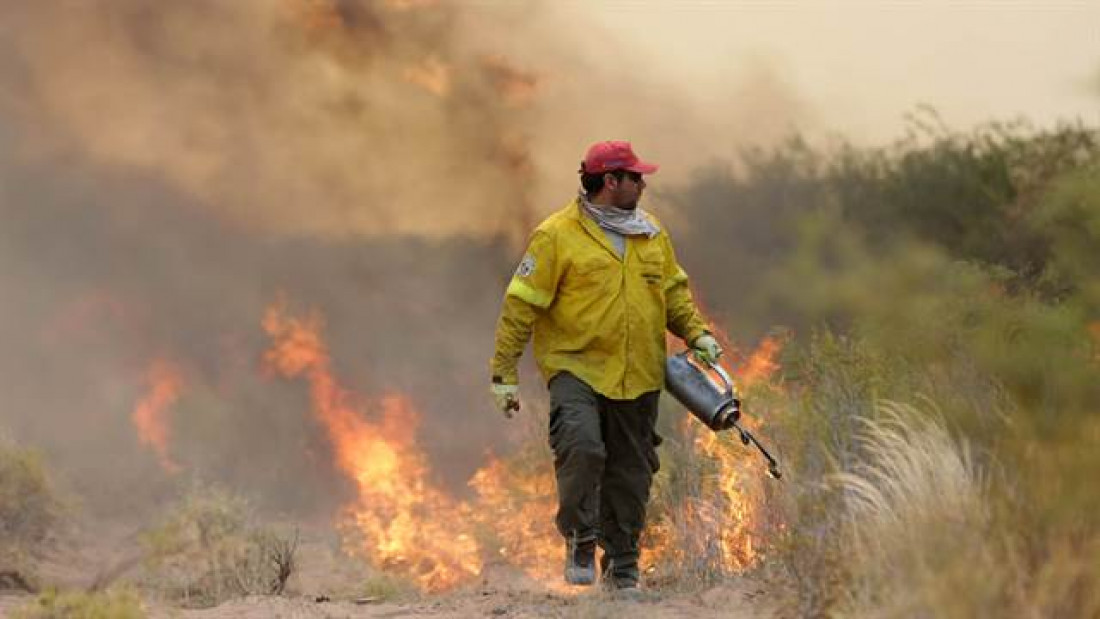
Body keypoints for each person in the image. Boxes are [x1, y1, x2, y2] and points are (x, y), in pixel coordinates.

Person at [489, 140, 722, 591]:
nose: (643, 182)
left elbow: (673, 291)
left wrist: (698, 333)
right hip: (575, 368)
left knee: (631, 473)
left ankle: (623, 568)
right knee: (582, 446)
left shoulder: (651, 232)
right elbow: (521, 305)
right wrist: (504, 374)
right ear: (610, 182)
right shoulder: (556, 235)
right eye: (635, 176)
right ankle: (579, 538)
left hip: (638, 372)